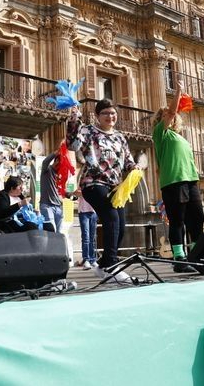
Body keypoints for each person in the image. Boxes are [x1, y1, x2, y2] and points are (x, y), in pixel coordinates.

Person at [67, 99, 137, 282]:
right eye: (105, 113)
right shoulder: (89, 131)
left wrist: (135, 168)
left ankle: (104, 263)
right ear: (98, 116)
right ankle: (112, 266)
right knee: (111, 217)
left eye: (113, 113)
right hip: (93, 182)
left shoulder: (120, 137)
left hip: (115, 187)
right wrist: (74, 118)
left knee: (120, 226)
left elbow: (128, 160)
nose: (110, 116)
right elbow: (72, 145)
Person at [152, 80, 204, 273]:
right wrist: (179, 91)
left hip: (190, 181)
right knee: (178, 221)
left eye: (171, 114)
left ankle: (198, 254)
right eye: (166, 114)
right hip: (173, 182)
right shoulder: (160, 134)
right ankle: (179, 259)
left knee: (197, 219)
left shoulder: (180, 137)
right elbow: (173, 111)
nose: (171, 116)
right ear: (161, 118)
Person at [39, 150, 64, 233]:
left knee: (59, 233)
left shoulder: (59, 175)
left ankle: (58, 246)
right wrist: (57, 152)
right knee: (51, 231)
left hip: (58, 207)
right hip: (47, 206)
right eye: (61, 164)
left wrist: (70, 194)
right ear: (56, 161)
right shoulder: (47, 170)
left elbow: (59, 191)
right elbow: (45, 161)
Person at [76, 190, 98, 269]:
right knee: (86, 236)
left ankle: (92, 259)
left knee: (92, 238)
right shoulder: (83, 183)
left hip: (93, 212)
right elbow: (76, 192)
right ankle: (86, 259)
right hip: (83, 212)